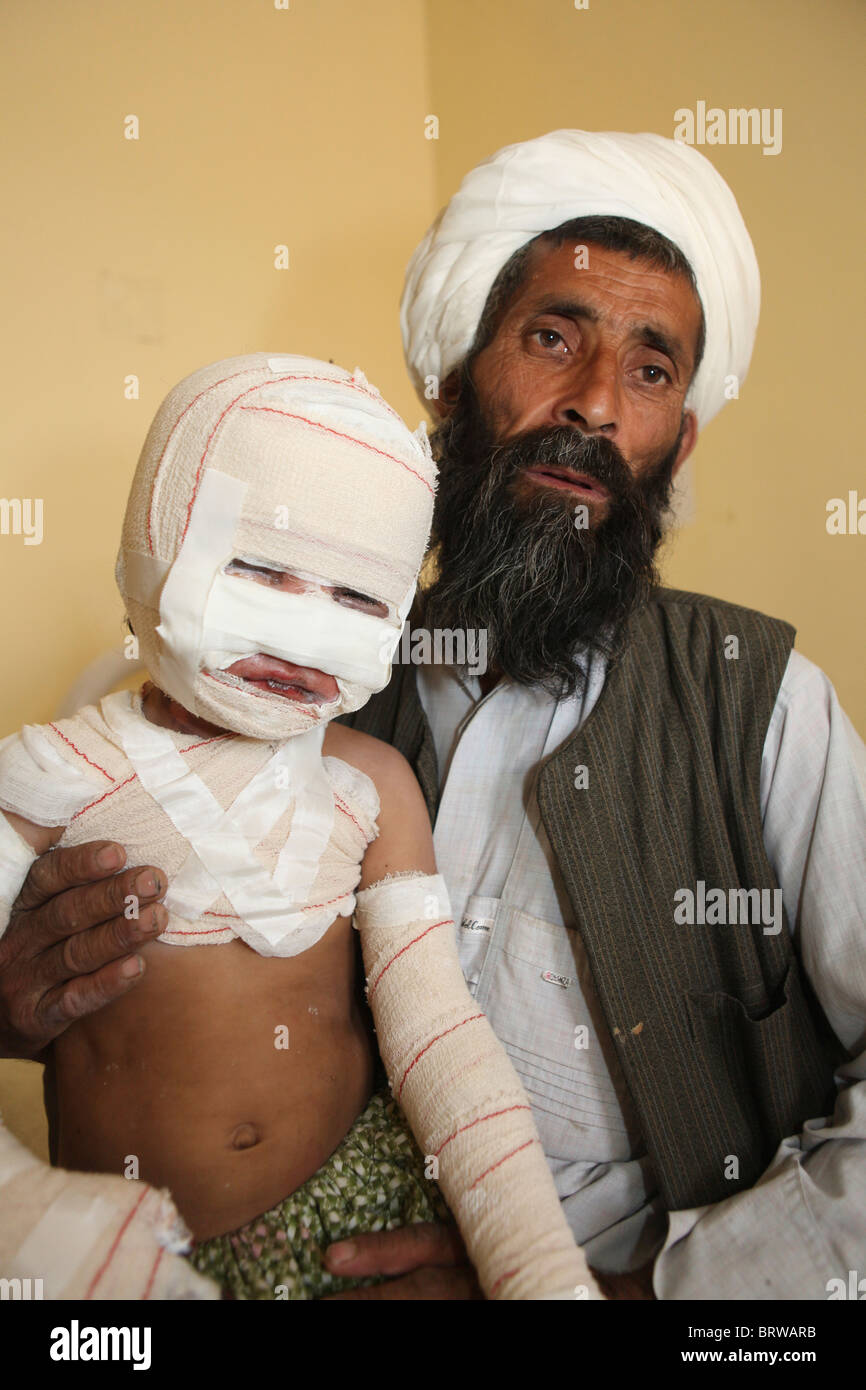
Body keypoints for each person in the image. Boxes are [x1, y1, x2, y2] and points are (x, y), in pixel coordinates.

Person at [2, 131, 864, 1302]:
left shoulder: (761, 710)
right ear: (453, 380)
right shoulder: (282, 694)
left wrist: (635, 1298)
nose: (596, 404)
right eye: (553, 336)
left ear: (681, 441)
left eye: (651, 370)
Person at [0, 353, 598, 1301]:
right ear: (162, 543)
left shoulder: (374, 788)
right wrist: (35, 1226)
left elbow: (438, 1035)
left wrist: (541, 1276)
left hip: (363, 1206)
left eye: (358, 597)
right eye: (259, 572)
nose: (304, 635)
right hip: (126, 1256)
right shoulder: (50, 778)